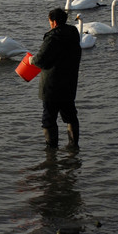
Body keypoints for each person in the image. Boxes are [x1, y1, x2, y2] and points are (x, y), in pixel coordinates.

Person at [29, 8, 81, 150]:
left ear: (54, 22)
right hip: (69, 83)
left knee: (49, 118)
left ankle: (51, 151)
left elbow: (40, 60)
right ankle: (73, 147)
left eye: (50, 21)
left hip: (52, 86)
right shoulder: (73, 33)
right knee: (70, 115)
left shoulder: (52, 38)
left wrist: (31, 60)